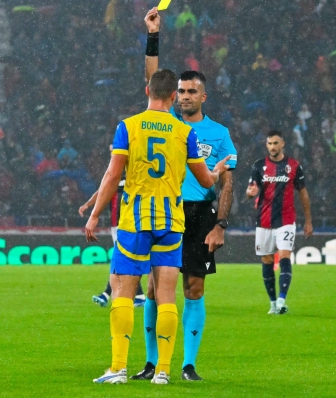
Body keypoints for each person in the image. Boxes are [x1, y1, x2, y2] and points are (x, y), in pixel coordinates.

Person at [86, 68, 229, 385]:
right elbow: (205, 181)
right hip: (171, 221)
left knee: (123, 288)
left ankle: (118, 368)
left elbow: (112, 175)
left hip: (135, 219)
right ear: (173, 96)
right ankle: (163, 371)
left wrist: (94, 214)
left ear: (146, 89)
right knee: (166, 294)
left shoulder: (130, 127)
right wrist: (217, 172)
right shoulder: (184, 132)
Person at [132, 8, 238, 382]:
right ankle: (150, 362)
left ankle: (188, 364)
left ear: (204, 96)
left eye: (192, 91)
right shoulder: (169, 123)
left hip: (200, 216)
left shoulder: (219, 133)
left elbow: (227, 182)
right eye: (181, 91)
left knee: (194, 286)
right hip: (166, 210)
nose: (185, 96)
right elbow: (152, 78)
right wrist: (153, 37)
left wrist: (221, 225)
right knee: (153, 286)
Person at [246, 130, 313, 315]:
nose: (272, 147)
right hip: (264, 220)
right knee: (267, 260)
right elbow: (251, 190)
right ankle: (273, 303)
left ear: (282, 143)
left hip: (286, 220)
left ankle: (282, 299)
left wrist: (308, 221)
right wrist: (249, 194)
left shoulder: (293, 165)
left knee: (284, 257)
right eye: (269, 144)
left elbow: (303, 193)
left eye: (275, 143)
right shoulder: (259, 166)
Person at [79, 151, 146, 308]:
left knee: (123, 259)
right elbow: (102, 191)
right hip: (118, 224)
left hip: (127, 224)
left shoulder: (128, 175)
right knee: (124, 259)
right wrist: (88, 205)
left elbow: (104, 189)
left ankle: (113, 295)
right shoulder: (121, 175)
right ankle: (116, 295)